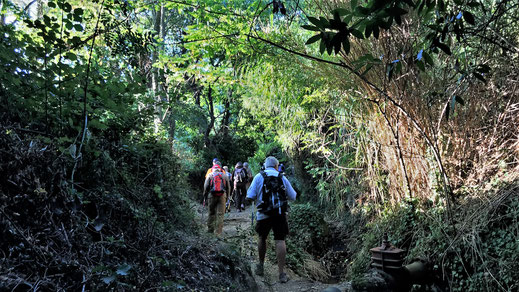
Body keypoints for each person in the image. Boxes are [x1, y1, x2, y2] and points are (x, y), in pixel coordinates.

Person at [246, 156, 297, 283]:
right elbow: (293, 196)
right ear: (276, 166)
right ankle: (281, 273)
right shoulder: (282, 177)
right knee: (280, 240)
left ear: (265, 165)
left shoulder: (259, 177)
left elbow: (250, 196)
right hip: (279, 214)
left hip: (263, 214)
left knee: (262, 238)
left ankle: (261, 266)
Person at [203, 161, 231, 235]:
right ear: (220, 169)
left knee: (211, 213)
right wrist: (228, 197)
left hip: (211, 196)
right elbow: (228, 187)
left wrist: (205, 196)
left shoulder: (210, 175)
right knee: (220, 214)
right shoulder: (224, 176)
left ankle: (210, 230)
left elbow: (206, 187)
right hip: (222, 196)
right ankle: (218, 233)